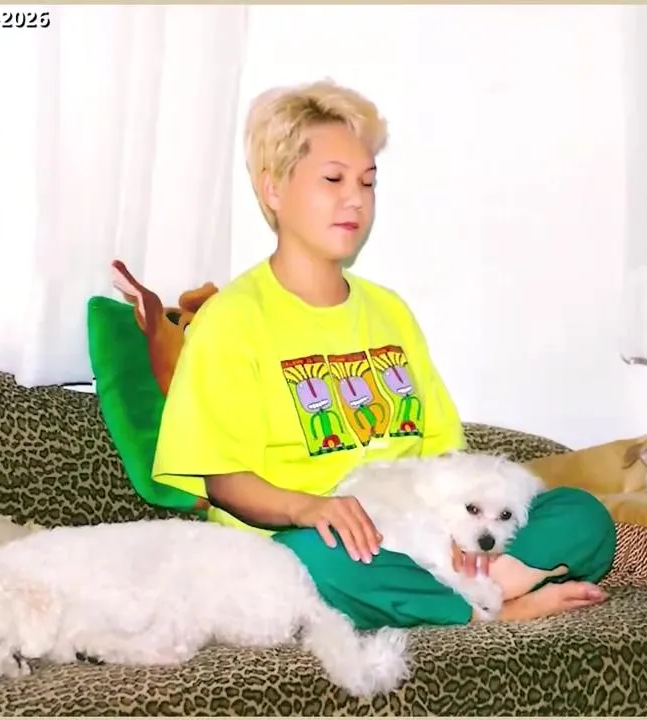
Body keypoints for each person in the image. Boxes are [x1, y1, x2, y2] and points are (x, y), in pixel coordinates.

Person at [151, 79, 615, 627]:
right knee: (308, 561)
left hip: (422, 540)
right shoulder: (232, 320)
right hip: (314, 540)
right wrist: (309, 507)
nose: (355, 198)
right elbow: (223, 481)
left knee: (583, 515)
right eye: (333, 179)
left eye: (368, 182)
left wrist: (458, 532)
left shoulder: (389, 312)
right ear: (273, 187)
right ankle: (492, 609)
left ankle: (486, 589)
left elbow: (445, 459)